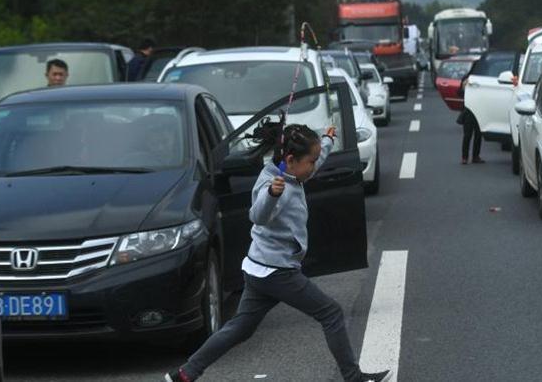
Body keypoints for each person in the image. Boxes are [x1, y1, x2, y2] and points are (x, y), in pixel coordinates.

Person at [166, 123, 391, 382]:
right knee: (331, 313)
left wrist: (328, 141)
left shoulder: (294, 172)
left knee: (240, 328)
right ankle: (354, 378)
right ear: (291, 160)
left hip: (259, 267)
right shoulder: (273, 184)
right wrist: (272, 194)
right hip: (277, 272)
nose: (314, 165)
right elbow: (257, 215)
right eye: (311, 160)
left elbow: (313, 164)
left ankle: (184, 374)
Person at [457, 73, 483, 164]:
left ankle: (475, 156)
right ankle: (464, 157)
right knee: (467, 135)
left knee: (478, 134)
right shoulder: (467, 78)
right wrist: (464, 86)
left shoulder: (483, 78)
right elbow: (459, 93)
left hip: (480, 109)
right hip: (468, 110)